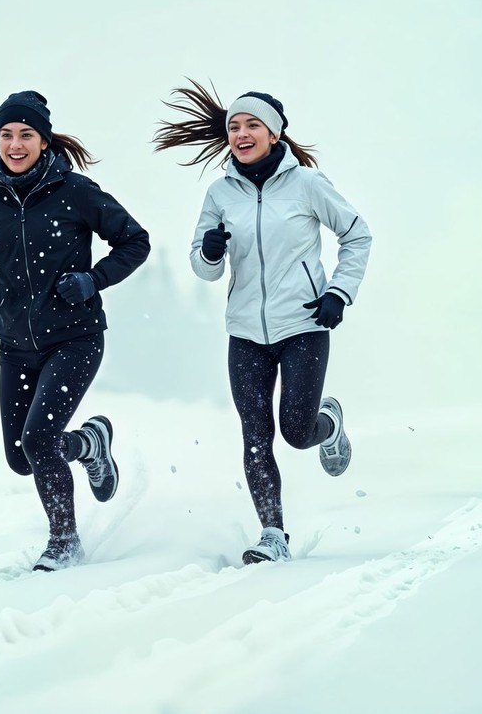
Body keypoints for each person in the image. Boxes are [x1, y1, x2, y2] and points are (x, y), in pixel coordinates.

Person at [154, 80, 372, 565]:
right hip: (246, 333)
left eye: (252, 124)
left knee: (295, 432)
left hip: (305, 324)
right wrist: (209, 252)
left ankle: (327, 422)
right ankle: (273, 534)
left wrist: (339, 292)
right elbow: (203, 266)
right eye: (234, 126)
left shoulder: (308, 184)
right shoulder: (220, 193)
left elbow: (358, 236)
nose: (242, 133)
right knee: (256, 433)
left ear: (274, 134)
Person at [0, 90, 150, 572]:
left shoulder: (76, 192)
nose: (15, 144)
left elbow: (135, 240)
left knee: (38, 440)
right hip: (14, 345)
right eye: (7, 135)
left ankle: (64, 542)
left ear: (43, 140)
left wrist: (93, 279)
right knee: (21, 456)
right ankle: (89, 444)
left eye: (26, 135)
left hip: (75, 338)